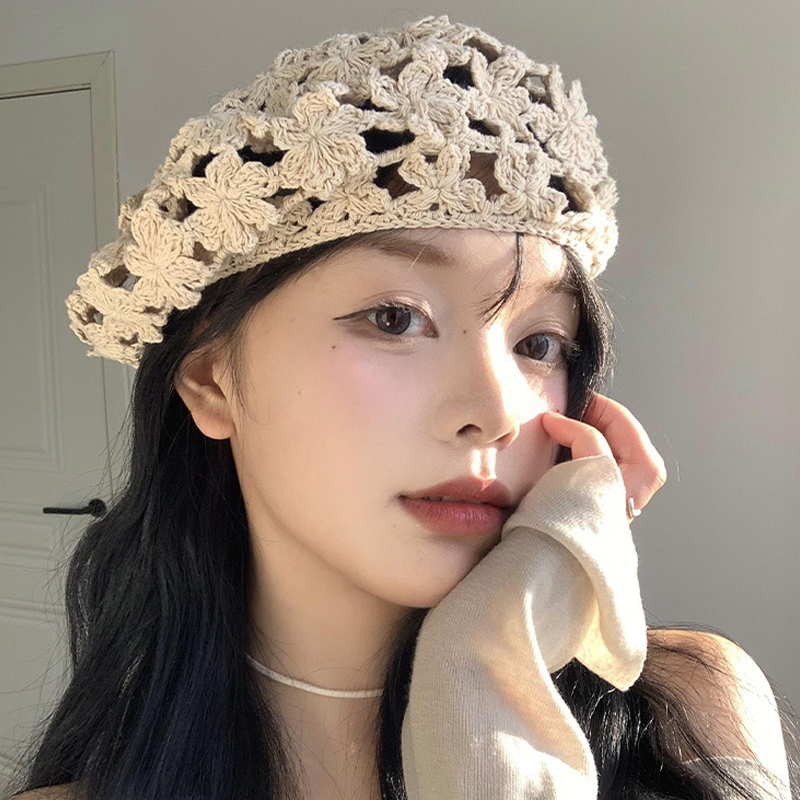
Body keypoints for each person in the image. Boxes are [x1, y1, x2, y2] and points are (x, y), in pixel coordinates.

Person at [5, 15, 798, 800]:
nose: (496, 412)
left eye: (538, 343)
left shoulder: (694, 709)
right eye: (394, 318)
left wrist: (490, 662)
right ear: (213, 381)